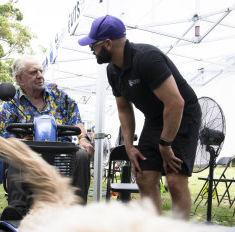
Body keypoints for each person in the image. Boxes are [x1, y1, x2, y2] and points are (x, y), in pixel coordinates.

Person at [78, 15, 201, 220]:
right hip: (155, 118)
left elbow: (176, 103)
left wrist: (165, 144)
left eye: (94, 44)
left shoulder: (146, 58)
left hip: (182, 114)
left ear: (108, 43)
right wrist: (129, 146)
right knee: (143, 175)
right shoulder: (112, 70)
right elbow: (124, 109)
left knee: (174, 181)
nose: (91, 49)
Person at [0, 56, 95, 218]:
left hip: (62, 158)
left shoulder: (57, 94)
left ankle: (77, 210)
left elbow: (76, 119)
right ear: (19, 79)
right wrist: (14, 143)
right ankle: (17, 209)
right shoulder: (12, 103)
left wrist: (83, 138)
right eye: (33, 72)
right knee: (16, 151)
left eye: (41, 71)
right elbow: (1, 135)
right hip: (29, 160)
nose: (40, 75)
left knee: (81, 155)